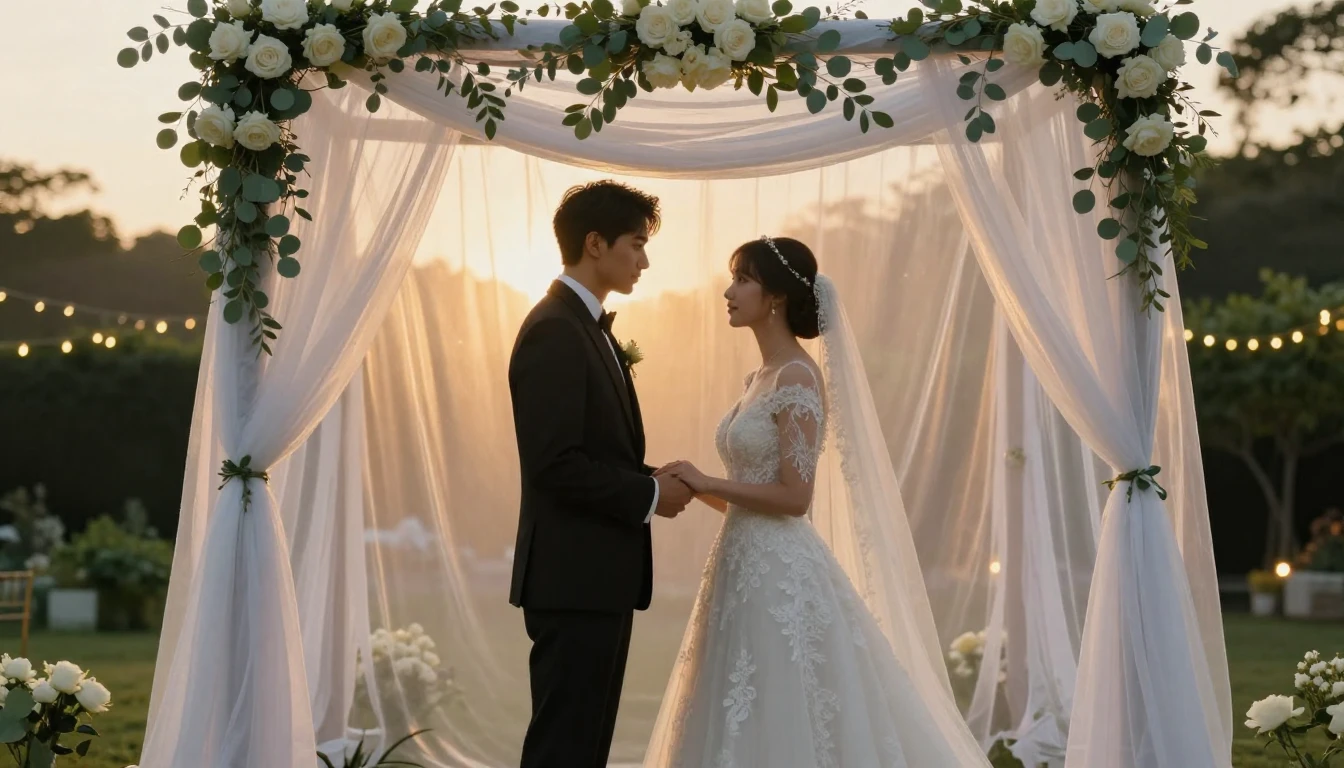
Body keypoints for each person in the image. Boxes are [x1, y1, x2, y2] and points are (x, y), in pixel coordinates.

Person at [643, 236, 993, 768]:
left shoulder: (798, 376)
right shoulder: (755, 379)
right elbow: (753, 499)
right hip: (740, 564)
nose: (728, 291)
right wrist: (698, 487)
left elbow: (795, 497)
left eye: (742, 278)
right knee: (734, 703)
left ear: (776, 295)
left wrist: (710, 480)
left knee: (781, 702)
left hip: (779, 575)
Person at [506, 180, 694, 768]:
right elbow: (554, 464)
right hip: (572, 579)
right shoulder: (556, 330)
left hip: (596, 577)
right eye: (636, 243)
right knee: (564, 747)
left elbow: (593, 451)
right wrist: (647, 494)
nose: (644, 259)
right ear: (595, 243)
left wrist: (653, 477)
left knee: (584, 748)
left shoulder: (586, 327)